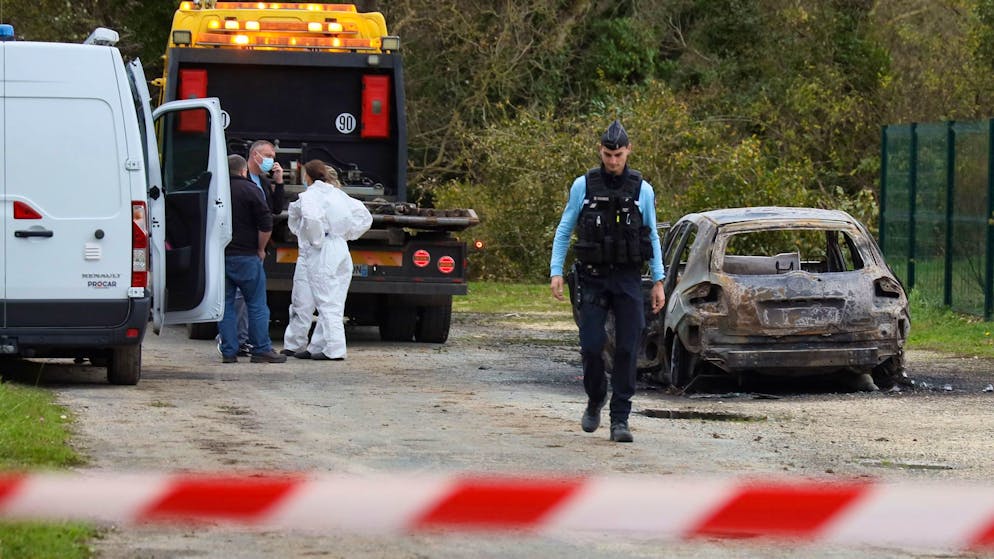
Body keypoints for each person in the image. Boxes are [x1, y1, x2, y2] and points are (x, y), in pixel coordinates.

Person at [549, 120, 666, 443]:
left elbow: (651, 235)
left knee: (629, 349)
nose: (612, 161)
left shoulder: (643, 189)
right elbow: (564, 229)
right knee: (591, 346)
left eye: (618, 155)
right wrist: (556, 270)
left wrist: (658, 280)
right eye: (607, 155)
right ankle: (595, 397)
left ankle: (620, 419)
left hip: (628, 279)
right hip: (593, 277)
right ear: (600, 152)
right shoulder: (583, 186)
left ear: (628, 151)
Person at [281, 160, 372, 360]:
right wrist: (348, 234)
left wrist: (316, 240)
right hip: (340, 247)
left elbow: (311, 220)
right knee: (334, 300)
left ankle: (334, 349)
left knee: (324, 300)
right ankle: (318, 346)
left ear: (308, 176)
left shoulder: (311, 196)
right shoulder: (338, 194)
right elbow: (364, 216)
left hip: (321, 250)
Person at [219, 154, 287, 364]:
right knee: (256, 304)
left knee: (226, 305)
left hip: (222, 256)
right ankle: (261, 349)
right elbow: (266, 223)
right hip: (247, 256)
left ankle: (229, 351)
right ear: (243, 171)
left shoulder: (217, 190)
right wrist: (260, 248)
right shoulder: (251, 190)